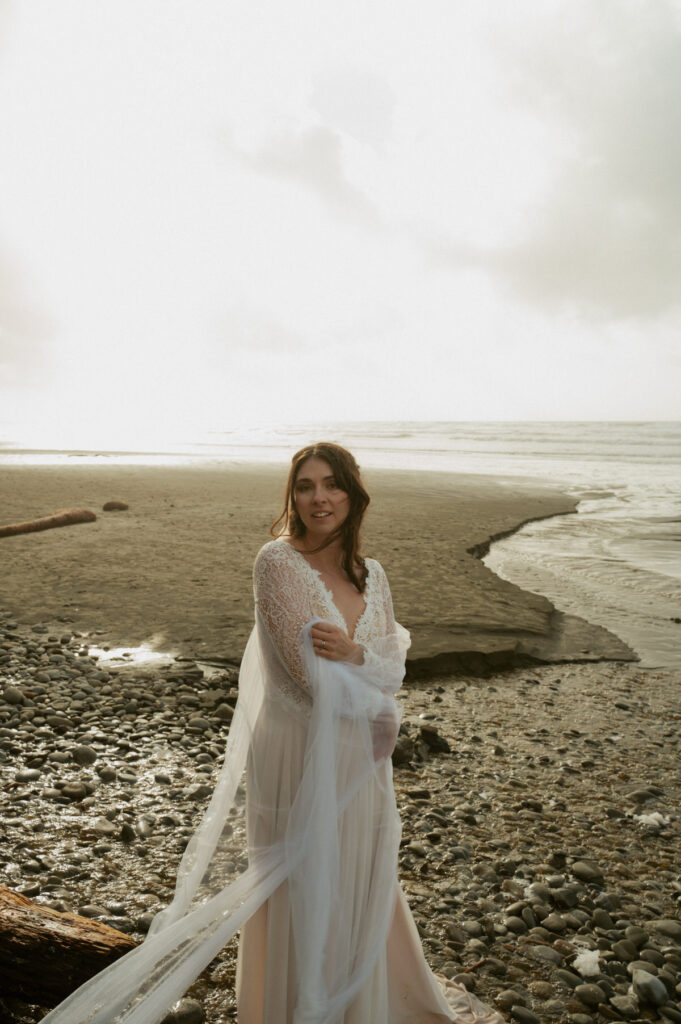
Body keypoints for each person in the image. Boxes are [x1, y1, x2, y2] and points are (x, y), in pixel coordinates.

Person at [40, 443, 504, 1024]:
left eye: (331, 484)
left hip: (361, 754)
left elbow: (392, 668)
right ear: (294, 495)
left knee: (361, 873)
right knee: (300, 883)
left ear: (353, 493)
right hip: (296, 748)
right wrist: (374, 691)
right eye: (306, 486)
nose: (319, 497)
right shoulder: (277, 564)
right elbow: (305, 678)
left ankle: (364, 1004)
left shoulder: (373, 574)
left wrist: (357, 656)